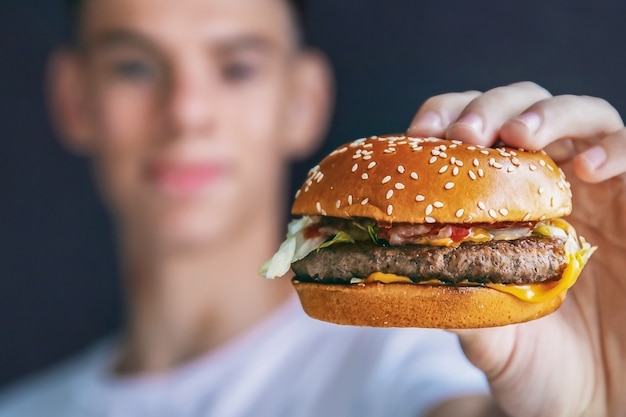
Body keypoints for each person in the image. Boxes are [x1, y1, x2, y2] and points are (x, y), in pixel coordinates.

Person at [0, 1, 624, 417]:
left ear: (303, 100)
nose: (187, 112)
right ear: (75, 99)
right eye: (134, 67)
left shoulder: (418, 357)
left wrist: (590, 402)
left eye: (237, 67)